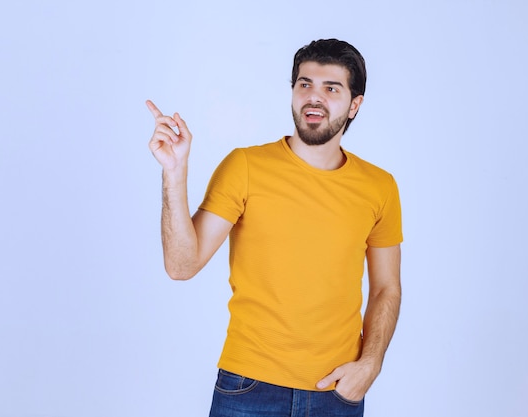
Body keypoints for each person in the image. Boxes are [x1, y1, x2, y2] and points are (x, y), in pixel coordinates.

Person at [146, 38, 402, 417]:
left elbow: (386, 288)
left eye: (331, 88)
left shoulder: (379, 187)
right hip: (248, 387)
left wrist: (371, 363)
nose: (314, 97)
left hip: (336, 392)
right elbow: (181, 266)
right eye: (304, 84)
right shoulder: (245, 167)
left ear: (354, 104)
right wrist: (174, 172)